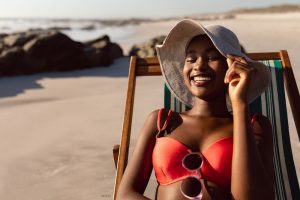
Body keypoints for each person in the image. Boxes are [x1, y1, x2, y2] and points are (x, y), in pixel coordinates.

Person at [116, 19, 275, 200]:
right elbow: (125, 194)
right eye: (190, 59)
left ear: (233, 66)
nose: (198, 66)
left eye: (212, 57)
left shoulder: (254, 125)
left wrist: (240, 105)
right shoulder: (161, 121)